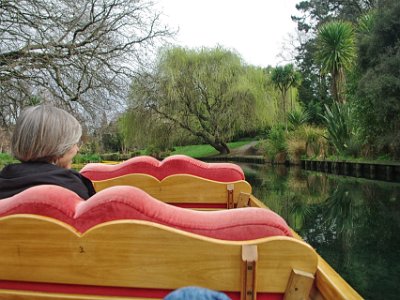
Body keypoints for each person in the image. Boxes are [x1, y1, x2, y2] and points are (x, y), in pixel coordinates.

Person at [0, 105, 95, 200]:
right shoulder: (72, 187)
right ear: (60, 145)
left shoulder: (5, 181)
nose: (77, 149)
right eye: (74, 143)